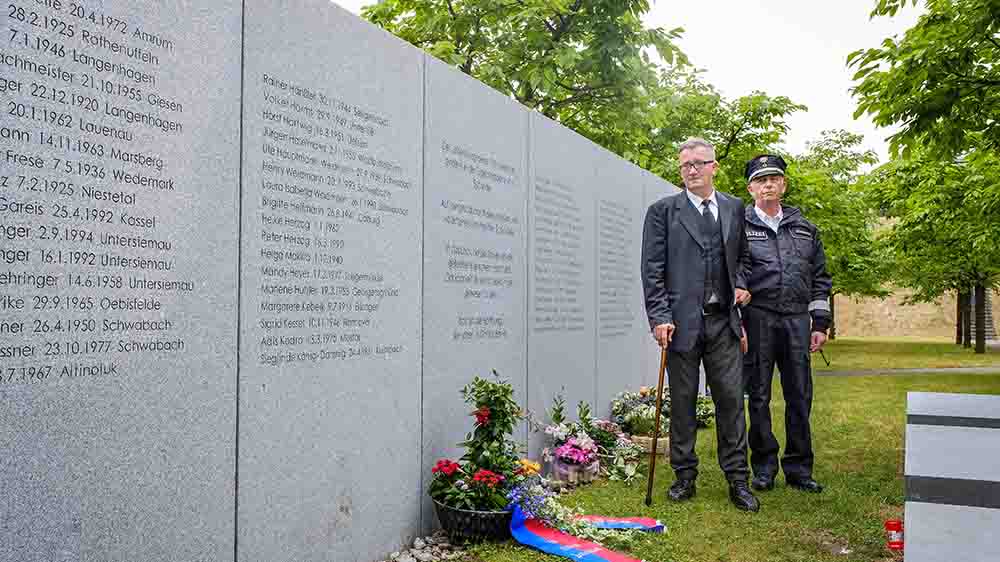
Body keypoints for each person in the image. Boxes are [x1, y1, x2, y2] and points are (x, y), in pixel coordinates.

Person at [641, 138, 759, 512]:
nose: (691, 170)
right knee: (683, 403)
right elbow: (652, 270)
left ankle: (738, 479)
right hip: (680, 324)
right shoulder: (662, 212)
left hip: (724, 322)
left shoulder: (734, 208)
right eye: (685, 165)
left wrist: (741, 283)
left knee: (730, 402)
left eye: (698, 163)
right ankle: (684, 476)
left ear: (714, 166)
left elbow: (744, 258)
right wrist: (660, 316)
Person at [740, 154, 832, 494]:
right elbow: (734, 277)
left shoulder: (806, 228)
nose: (768, 184)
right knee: (759, 396)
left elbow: (820, 278)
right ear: (750, 188)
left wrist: (819, 322)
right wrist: (739, 324)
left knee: (799, 396)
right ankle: (764, 468)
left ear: (784, 185)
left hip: (796, 319)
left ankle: (799, 468)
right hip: (758, 317)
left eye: (774, 179)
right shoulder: (740, 226)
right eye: (761, 180)